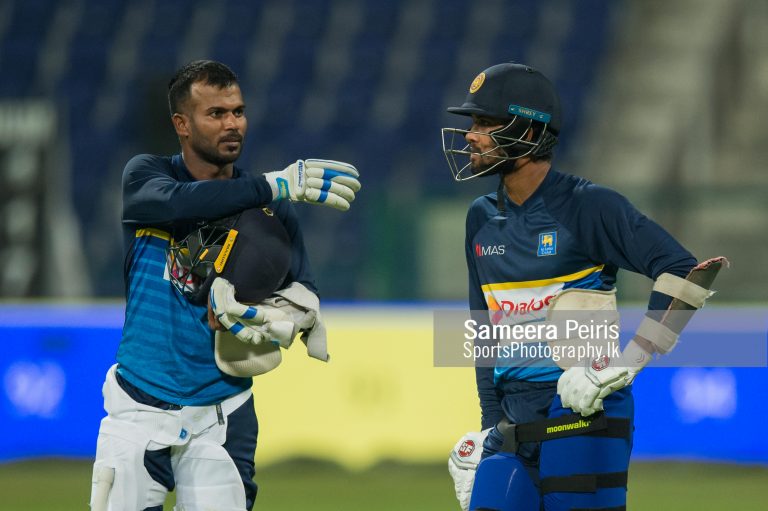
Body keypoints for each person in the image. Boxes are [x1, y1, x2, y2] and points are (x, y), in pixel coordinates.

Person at [443, 62, 725, 511]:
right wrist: (487, 425)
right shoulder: (480, 217)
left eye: (484, 123)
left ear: (531, 134)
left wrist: (628, 363)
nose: (470, 135)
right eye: (472, 123)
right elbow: (484, 330)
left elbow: (683, 270)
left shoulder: (588, 206)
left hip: (586, 407)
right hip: (512, 422)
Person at [89, 60, 360, 511]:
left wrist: (274, 320)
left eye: (238, 111)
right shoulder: (147, 176)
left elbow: (302, 291)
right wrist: (272, 185)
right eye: (216, 113)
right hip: (136, 409)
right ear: (181, 123)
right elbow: (175, 203)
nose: (232, 123)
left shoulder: (274, 210)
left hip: (224, 414)